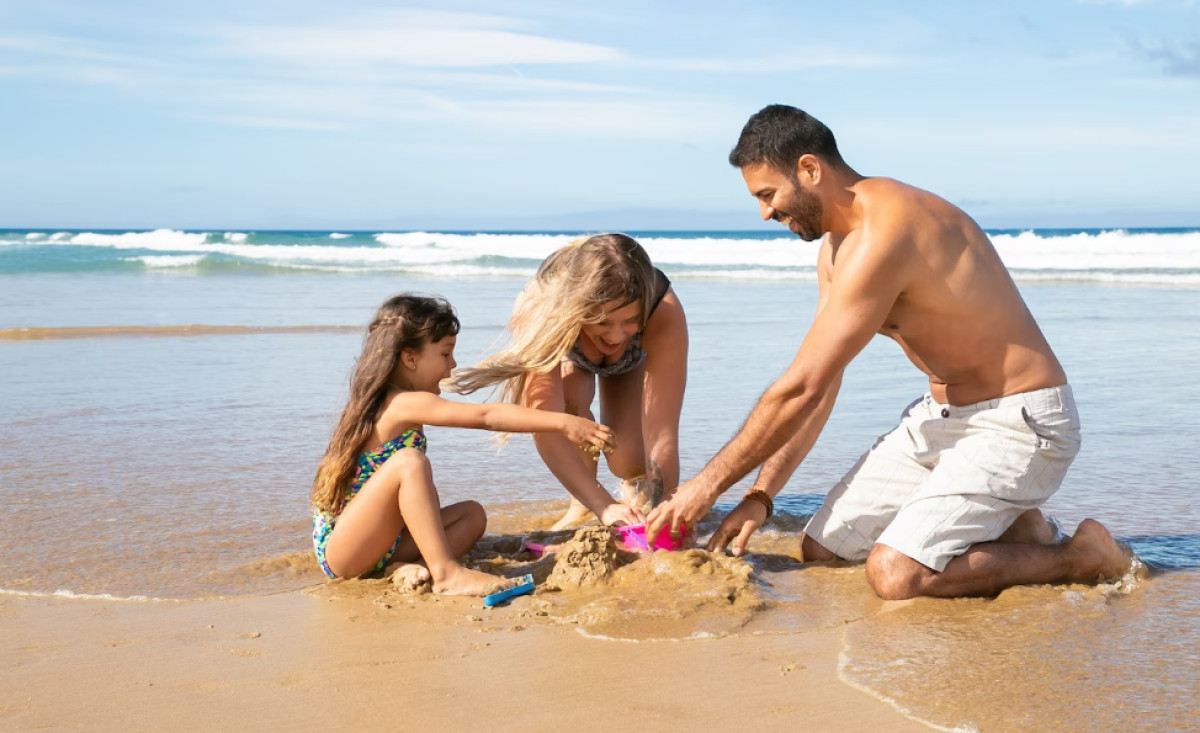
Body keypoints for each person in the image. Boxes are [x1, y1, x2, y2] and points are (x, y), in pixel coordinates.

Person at [646, 104, 1132, 599]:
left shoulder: (888, 230)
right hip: (944, 419)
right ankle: (1018, 526)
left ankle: (1084, 555)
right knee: (823, 549)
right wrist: (759, 496)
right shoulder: (835, 250)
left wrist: (705, 487)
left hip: (1020, 423)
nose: (765, 212)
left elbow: (799, 388)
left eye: (768, 194)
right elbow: (820, 384)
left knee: (895, 574)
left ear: (810, 169)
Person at [311, 293, 615, 596]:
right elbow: (486, 416)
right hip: (345, 550)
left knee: (471, 515)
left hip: (384, 544)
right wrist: (562, 422)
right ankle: (446, 574)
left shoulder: (401, 402)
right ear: (410, 358)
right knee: (409, 462)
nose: (452, 365)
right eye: (445, 354)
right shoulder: (402, 403)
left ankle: (404, 567)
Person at [451, 233, 688, 530]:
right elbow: (546, 426)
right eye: (602, 322)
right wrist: (603, 506)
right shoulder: (541, 308)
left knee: (627, 460)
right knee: (571, 408)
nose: (615, 336)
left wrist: (662, 513)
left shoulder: (662, 308)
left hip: (629, 362)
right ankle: (582, 506)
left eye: (630, 321)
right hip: (568, 352)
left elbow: (663, 433)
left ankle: (635, 494)